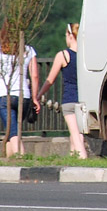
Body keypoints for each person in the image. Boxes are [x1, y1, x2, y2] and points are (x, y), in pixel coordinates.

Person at [0, 24, 40, 157]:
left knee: (13, 131)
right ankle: (10, 160)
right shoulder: (28, 51)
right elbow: (35, 76)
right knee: (11, 130)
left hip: (5, 95)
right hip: (23, 96)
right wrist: (35, 98)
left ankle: (21, 156)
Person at [37, 23, 87, 158]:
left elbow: (50, 80)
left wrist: (39, 95)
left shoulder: (63, 55)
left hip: (69, 100)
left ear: (71, 36)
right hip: (83, 100)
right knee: (78, 134)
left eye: (66, 35)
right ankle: (74, 160)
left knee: (76, 136)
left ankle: (83, 158)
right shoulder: (86, 55)